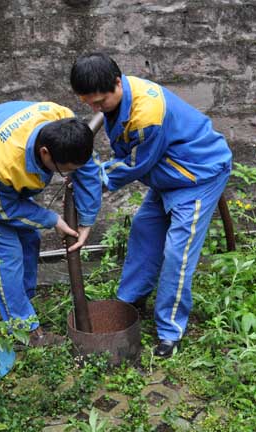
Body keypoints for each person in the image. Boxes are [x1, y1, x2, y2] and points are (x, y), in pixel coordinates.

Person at [70, 53, 232, 357]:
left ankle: (170, 331)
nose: (95, 109)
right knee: (144, 230)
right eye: (88, 103)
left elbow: (135, 163)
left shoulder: (147, 115)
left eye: (100, 102)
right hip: (169, 173)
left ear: (118, 83)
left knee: (177, 254)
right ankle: (130, 301)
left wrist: (91, 176)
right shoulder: (120, 97)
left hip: (196, 175)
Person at [0, 101, 101, 347]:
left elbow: (89, 170)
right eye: (65, 170)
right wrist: (53, 219)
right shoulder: (5, 165)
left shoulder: (65, 120)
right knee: (6, 255)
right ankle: (23, 331)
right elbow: (4, 209)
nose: (68, 172)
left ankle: (20, 301)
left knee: (30, 239)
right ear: (45, 154)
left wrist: (87, 221)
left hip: (3, 161)